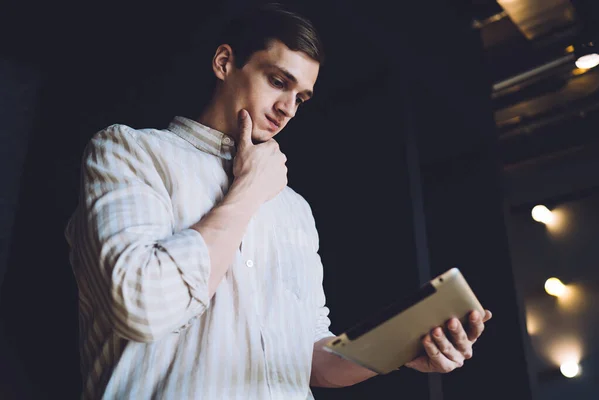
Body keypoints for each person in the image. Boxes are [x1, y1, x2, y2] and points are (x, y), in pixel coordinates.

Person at [65, 3, 492, 399]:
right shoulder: (129, 152)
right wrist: (248, 190)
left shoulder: (294, 210)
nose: (288, 108)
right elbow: (143, 305)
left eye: (301, 97)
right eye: (278, 81)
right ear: (224, 63)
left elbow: (312, 363)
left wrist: (400, 349)